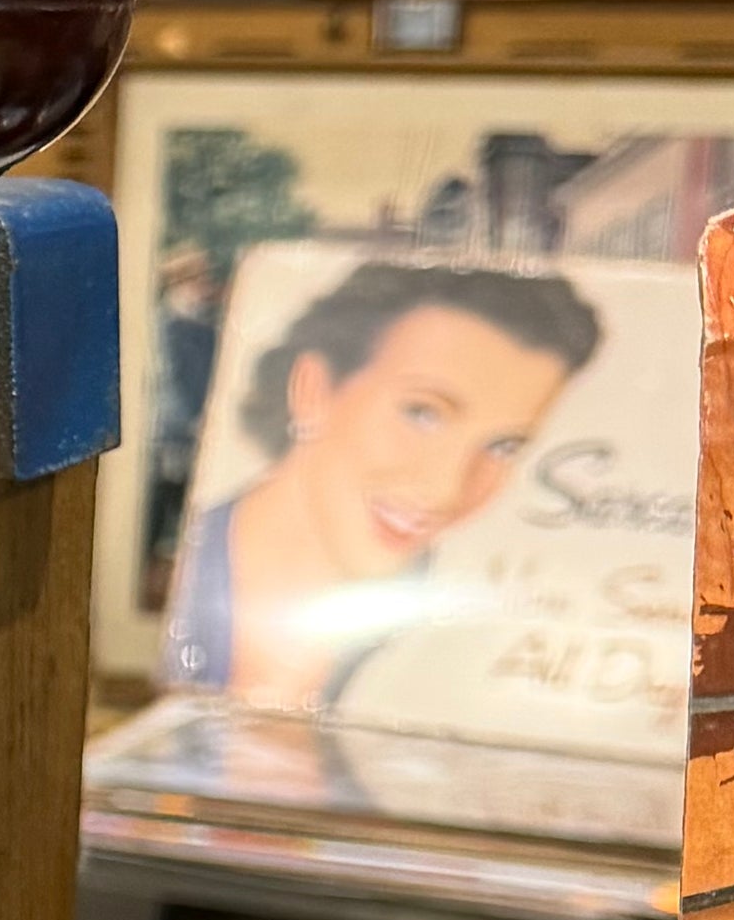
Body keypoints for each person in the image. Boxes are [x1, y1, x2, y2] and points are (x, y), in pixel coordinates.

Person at [160, 256, 604, 711]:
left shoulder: (446, 642)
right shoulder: (180, 589)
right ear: (313, 390)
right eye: (423, 413)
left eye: (503, 446)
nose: (446, 490)